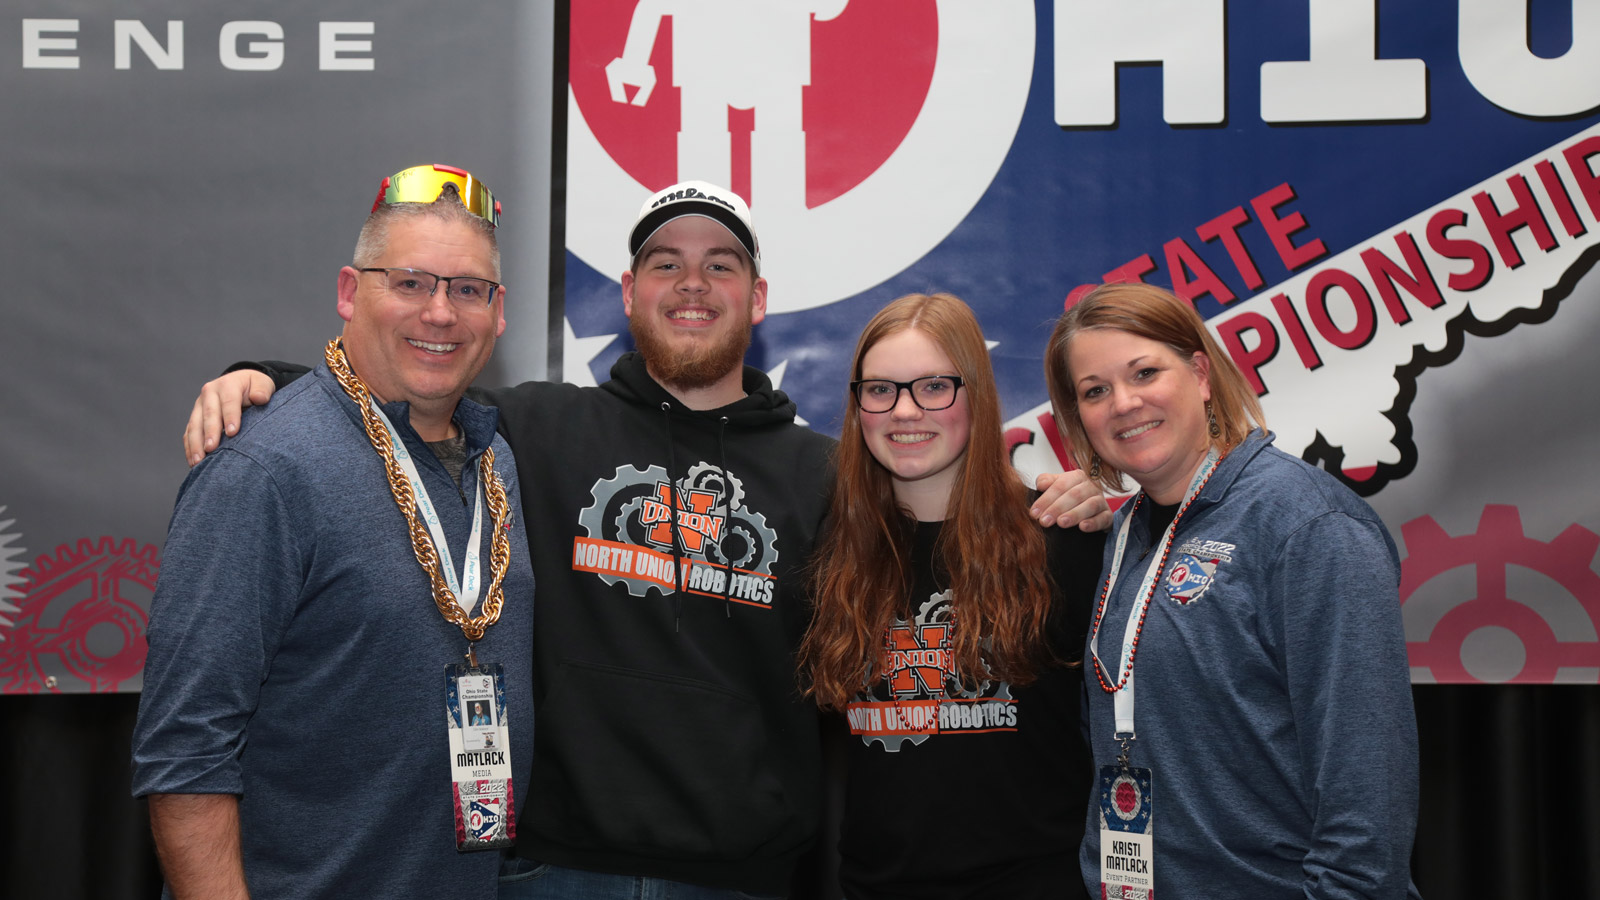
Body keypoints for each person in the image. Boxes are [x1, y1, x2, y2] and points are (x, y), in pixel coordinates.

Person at [180, 180, 1110, 898]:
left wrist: (1064, 501)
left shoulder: (829, 477)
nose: (693, 283)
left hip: (740, 878)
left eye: (720, 264)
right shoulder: (531, 427)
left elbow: (940, 546)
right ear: (628, 291)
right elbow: (403, 395)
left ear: (759, 296)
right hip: (549, 870)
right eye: (665, 262)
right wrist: (262, 377)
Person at [132, 164, 536, 899]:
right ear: (351, 292)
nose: (440, 313)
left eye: (467, 289)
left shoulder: (494, 457)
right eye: (410, 282)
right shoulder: (264, 467)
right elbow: (186, 747)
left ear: (498, 311)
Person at [1043, 282, 1422, 899]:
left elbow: (1367, 781)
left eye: (1145, 372)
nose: (1124, 403)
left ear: (1200, 374)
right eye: (1095, 391)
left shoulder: (1307, 523)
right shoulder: (1124, 534)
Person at [800, 293, 1103, 899]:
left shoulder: (1065, 539)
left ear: (977, 396)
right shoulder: (827, 556)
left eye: (934, 386)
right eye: (881, 390)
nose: (905, 411)